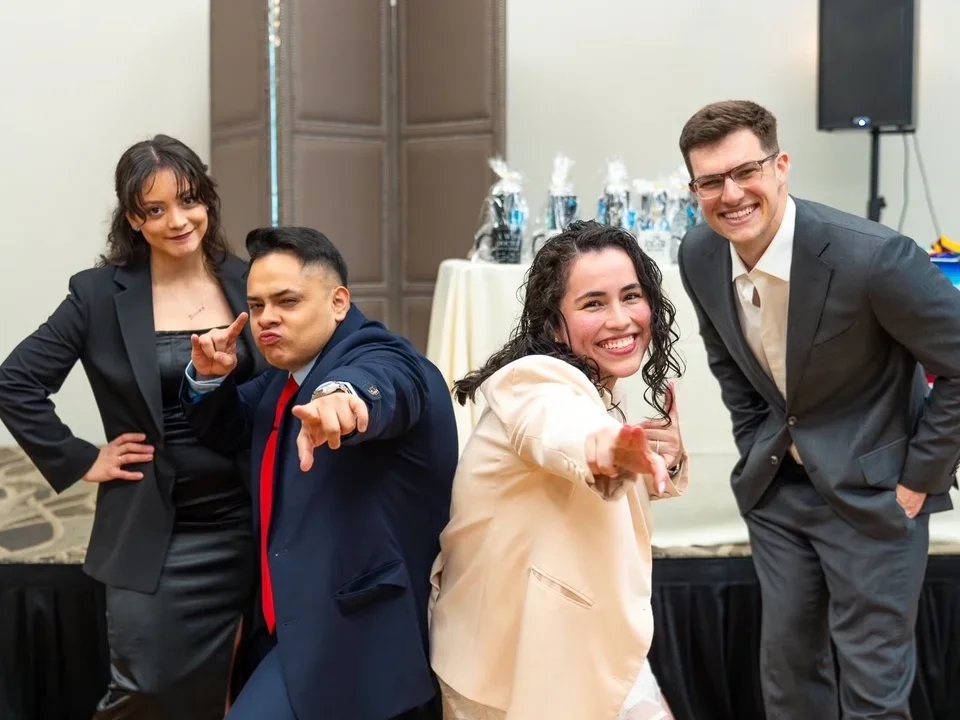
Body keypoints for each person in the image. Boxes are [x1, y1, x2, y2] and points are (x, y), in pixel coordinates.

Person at [676, 100, 960, 720]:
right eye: (710, 181)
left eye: (746, 171)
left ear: (781, 166)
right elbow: (730, 364)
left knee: (872, 697)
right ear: (693, 187)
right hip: (781, 496)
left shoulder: (874, 258)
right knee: (789, 681)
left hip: (877, 497)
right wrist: (757, 447)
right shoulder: (699, 254)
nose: (731, 194)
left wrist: (918, 481)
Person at [0, 135, 268, 717]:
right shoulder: (98, 295)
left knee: (239, 690)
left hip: (247, 519)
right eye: (156, 209)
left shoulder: (248, 282)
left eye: (190, 200)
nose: (178, 220)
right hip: (152, 526)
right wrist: (81, 457)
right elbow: (15, 382)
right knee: (143, 689)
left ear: (208, 202)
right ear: (133, 218)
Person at [181, 226, 457, 720]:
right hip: (288, 623)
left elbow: (386, 386)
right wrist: (209, 378)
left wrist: (343, 402)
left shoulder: (382, 356)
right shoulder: (282, 381)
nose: (267, 319)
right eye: (258, 305)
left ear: (338, 302)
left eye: (286, 301)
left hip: (354, 638)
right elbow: (230, 426)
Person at [429, 221, 688, 720]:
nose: (621, 319)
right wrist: (606, 451)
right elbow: (559, 430)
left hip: (585, 642)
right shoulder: (535, 381)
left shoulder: (599, 385)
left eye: (631, 296)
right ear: (553, 323)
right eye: (593, 303)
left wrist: (663, 456)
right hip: (515, 671)